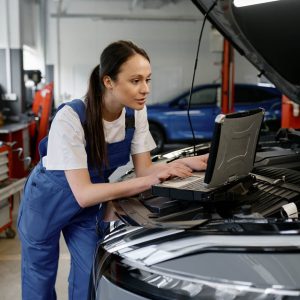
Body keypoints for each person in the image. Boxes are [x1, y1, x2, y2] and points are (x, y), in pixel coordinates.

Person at [17, 40, 208, 300]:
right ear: (108, 82)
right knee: (39, 278)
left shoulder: (135, 113)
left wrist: (185, 164)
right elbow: (84, 192)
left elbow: (145, 171)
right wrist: (145, 183)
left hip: (88, 203)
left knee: (89, 276)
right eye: (136, 81)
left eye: (148, 80)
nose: (145, 89)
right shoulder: (71, 118)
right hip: (49, 200)